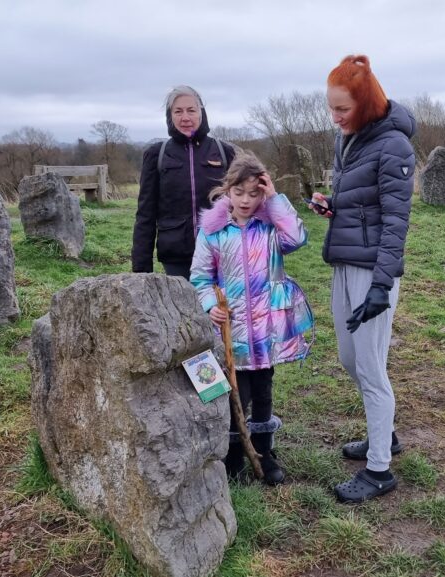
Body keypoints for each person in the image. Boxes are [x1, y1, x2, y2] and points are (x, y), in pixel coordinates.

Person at [307, 55, 416, 503]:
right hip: (345, 262)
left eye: (343, 109)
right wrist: (333, 206)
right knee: (351, 360)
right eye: (331, 108)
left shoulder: (394, 146)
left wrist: (380, 285)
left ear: (366, 103)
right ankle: (383, 434)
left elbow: (395, 222)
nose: (335, 118)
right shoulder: (347, 138)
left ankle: (379, 471)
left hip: (374, 270)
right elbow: (362, 203)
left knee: (371, 369)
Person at [190, 151, 314, 485]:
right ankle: (233, 455)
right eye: (239, 192)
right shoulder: (214, 232)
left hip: (266, 330)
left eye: (254, 193)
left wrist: (274, 199)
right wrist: (207, 305)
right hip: (232, 331)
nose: (246, 200)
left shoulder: (271, 227)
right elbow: (200, 277)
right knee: (234, 395)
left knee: (263, 393)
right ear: (227, 190)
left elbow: (298, 238)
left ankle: (264, 452)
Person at [132, 85, 237, 279]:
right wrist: (141, 271)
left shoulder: (224, 152)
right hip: (175, 256)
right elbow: (145, 214)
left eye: (191, 110)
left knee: (219, 309)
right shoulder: (157, 154)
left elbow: (243, 204)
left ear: (201, 113)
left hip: (220, 251)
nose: (185, 117)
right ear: (170, 115)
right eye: (178, 111)